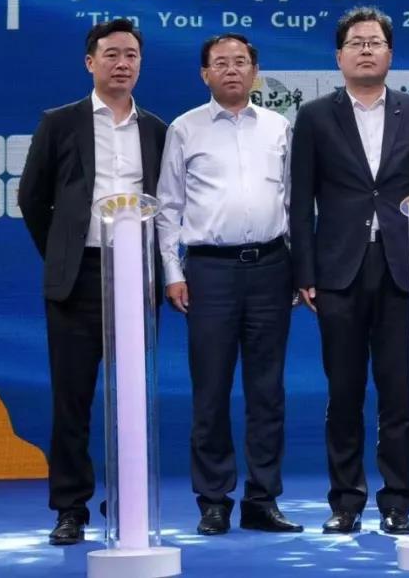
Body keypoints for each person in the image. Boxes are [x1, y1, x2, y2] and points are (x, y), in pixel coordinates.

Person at [290, 7, 409, 535]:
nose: (366, 50)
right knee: (345, 394)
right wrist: (304, 272)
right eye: (356, 43)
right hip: (338, 271)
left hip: (402, 269)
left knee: (399, 395)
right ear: (339, 56)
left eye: (375, 42)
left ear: (390, 54)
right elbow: (300, 201)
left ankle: (398, 502)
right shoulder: (315, 117)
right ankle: (346, 502)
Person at [19, 18, 168, 545]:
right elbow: (32, 198)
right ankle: (70, 509)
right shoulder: (60, 123)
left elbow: (167, 205)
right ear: (90, 62)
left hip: (136, 277)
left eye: (131, 55)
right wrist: (64, 254)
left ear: (140, 64)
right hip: (78, 278)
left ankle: (128, 501)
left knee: (132, 398)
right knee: (73, 399)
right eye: (111, 54)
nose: (122, 63)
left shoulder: (156, 130)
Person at [156, 33, 302, 535]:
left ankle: (262, 499)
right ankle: (213, 500)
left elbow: (294, 203)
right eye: (221, 63)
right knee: (211, 391)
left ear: (255, 71)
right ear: (205, 74)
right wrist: (173, 272)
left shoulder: (279, 127)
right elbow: (168, 207)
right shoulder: (184, 128)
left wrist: (298, 269)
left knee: (267, 391)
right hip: (209, 272)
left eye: (241, 62)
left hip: (271, 267)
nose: (232, 70)